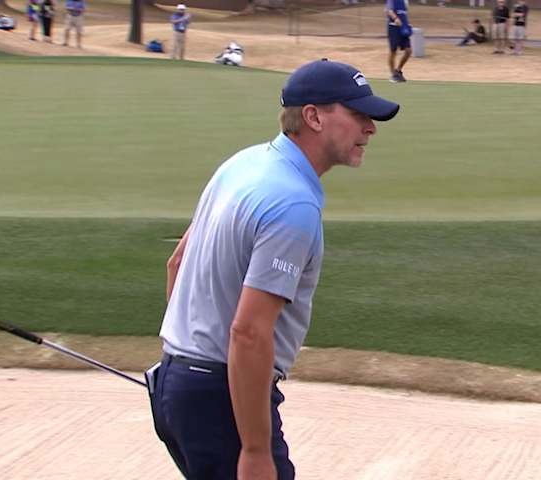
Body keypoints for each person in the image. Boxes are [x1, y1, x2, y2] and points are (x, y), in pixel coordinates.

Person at [149, 59, 400, 480]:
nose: (370, 128)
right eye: (358, 115)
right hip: (220, 395)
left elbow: (177, 263)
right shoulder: (293, 205)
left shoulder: (242, 163)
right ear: (313, 116)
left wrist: (185, 370)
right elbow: (249, 332)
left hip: (178, 381)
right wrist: (254, 450)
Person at [385, 0, 412, 82]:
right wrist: (395, 18)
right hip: (393, 27)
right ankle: (393, 74)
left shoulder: (405, 1)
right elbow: (388, 10)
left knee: (408, 50)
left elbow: (404, 13)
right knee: (393, 50)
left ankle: (398, 70)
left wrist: (407, 24)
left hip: (403, 27)